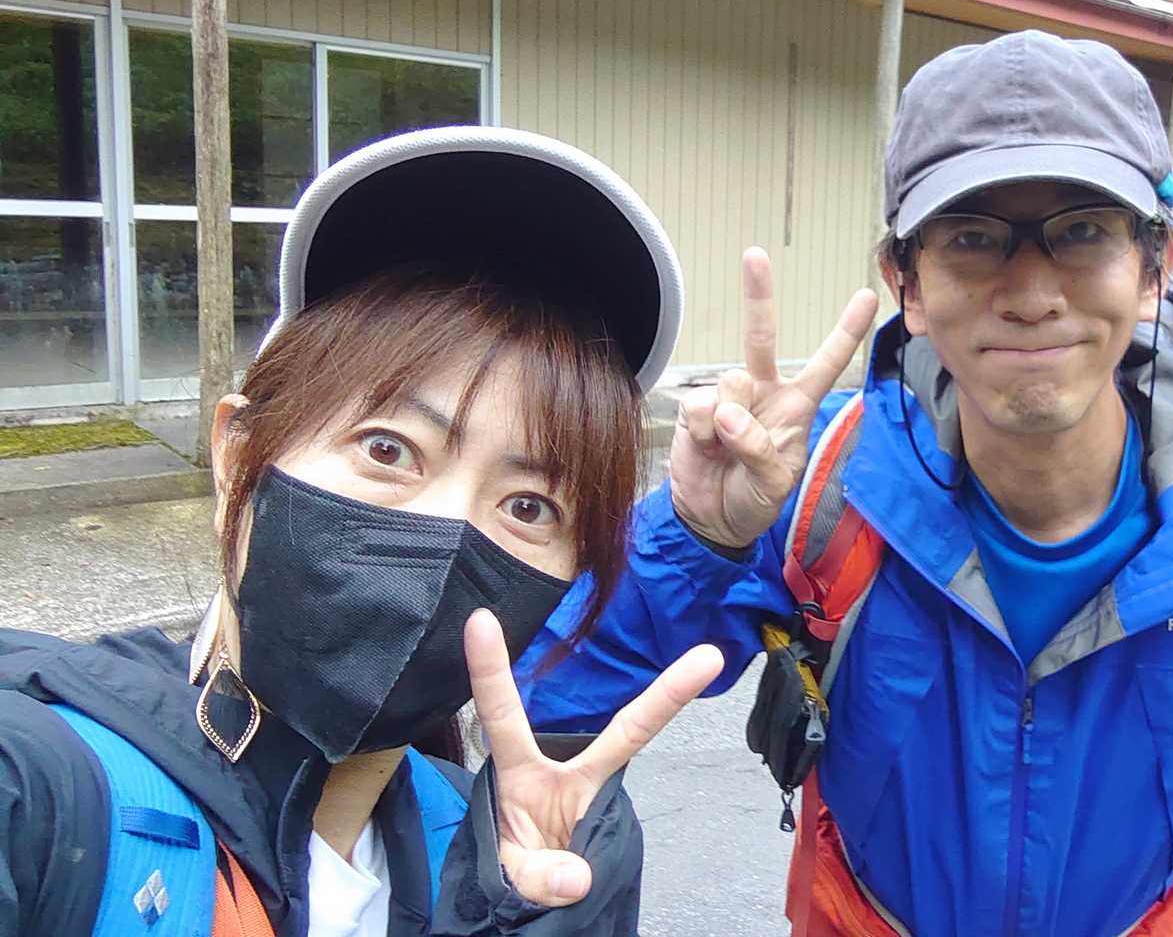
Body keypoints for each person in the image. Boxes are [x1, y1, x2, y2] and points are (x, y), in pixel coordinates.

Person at [519, 31, 1173, 937]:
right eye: (973, 238)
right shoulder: (811, 487)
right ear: (908, 285)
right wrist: (699, 535)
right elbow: (548, 701)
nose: (1032, 295)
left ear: (1154, 266)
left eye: (1083, 230)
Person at [0, 127, 723, 935]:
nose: (445, 532)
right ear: (238, 456)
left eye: (528, 506)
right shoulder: (39, 790)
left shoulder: (495, 859)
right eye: (388, 449)